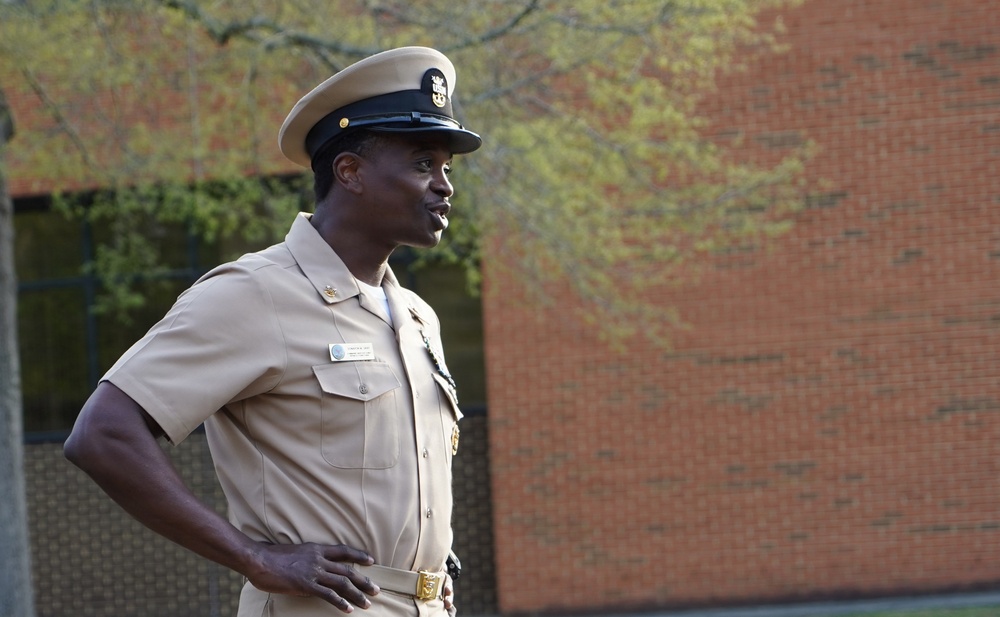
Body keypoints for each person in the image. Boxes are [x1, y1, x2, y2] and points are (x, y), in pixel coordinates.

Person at [64, 46, 481, 617]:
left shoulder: (415, 316)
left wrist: (424, 564)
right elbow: (103, 434)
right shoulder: (254, 293)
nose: (444, 185)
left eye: (446, 168)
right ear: (350, 172)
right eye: (422, 164)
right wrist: (255, 558)